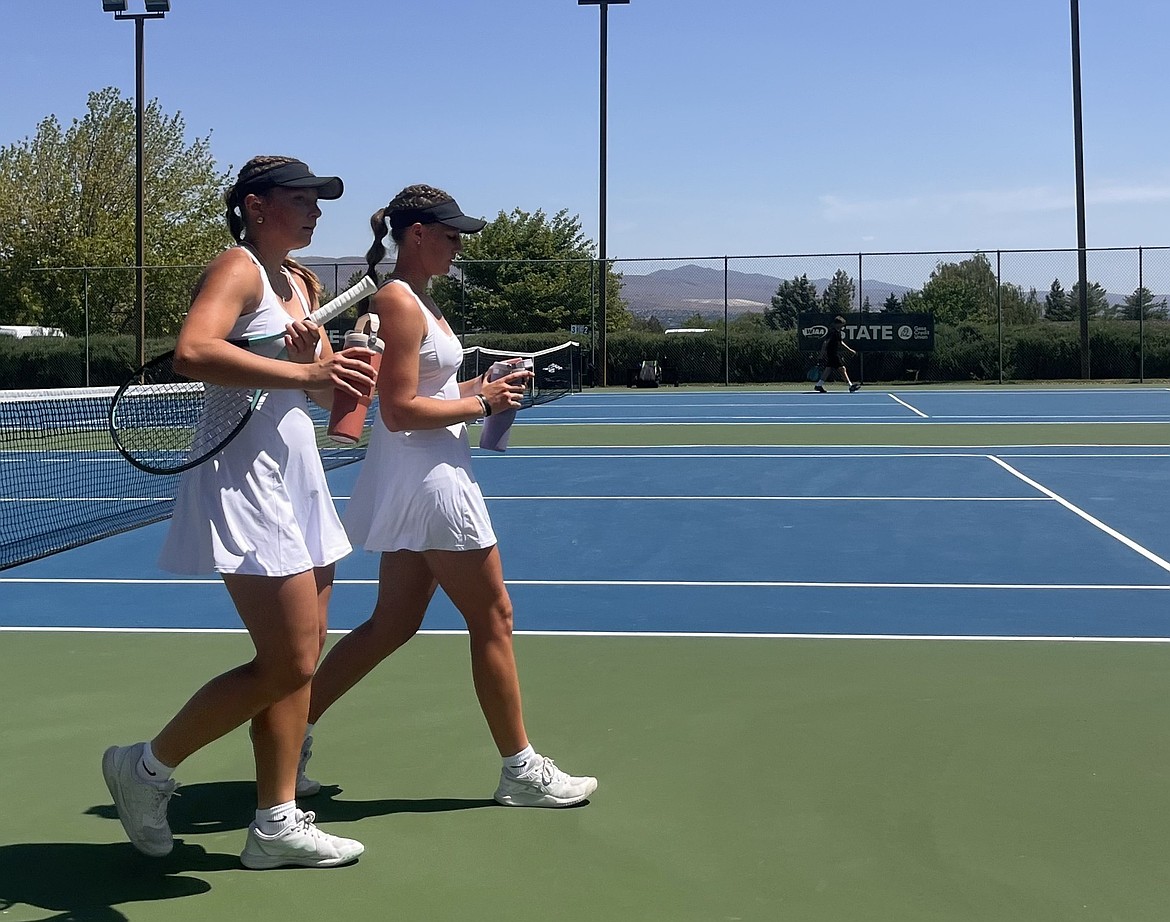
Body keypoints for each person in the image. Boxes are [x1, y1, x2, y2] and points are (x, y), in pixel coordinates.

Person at [101, 156, 377, 869]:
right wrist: (307, 370)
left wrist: (337, 377)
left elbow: (310, 395)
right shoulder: (237, 268)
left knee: (301, 664)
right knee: (287, 659)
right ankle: (146, 768)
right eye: (300, 199)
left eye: (319, 199)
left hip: (297, 475)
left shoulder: (302, 283)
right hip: (241, 479)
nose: (315, 210)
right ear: (256, 207)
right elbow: (193, 352)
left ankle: (276, 821)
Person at [303, 184, 598, 808]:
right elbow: (400, 409)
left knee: (392, 624)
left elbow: (426, 389)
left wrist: (476, 383)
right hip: (430, 480)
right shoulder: (399, 303)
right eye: (451, 234)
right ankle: (520, 769)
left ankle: (288, 730)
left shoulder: (419, 302)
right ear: (415, 234)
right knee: (494, 616)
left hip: (424, 473)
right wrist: (481, 402)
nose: (460, 245)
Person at [815, 315, 861, 393]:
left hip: (834, 353)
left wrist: (850, 350)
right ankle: (850, 386)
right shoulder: (832, 332)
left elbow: (841, 343)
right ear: (837, 324)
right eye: (841, 324)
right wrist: (821, 355)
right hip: (832, 354)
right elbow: (825, 342)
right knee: (842, 369)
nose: (843, 326)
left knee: (828, 369)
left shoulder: (838, 332)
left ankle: (819, 385)